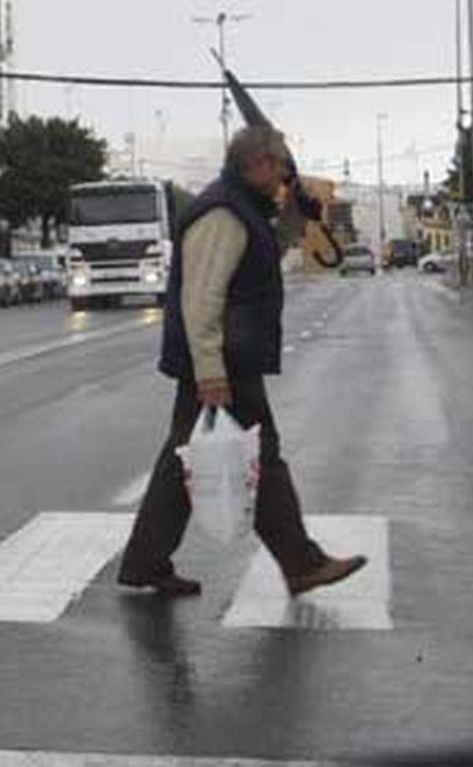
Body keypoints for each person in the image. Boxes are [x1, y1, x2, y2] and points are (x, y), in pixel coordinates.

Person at [117, 125, 367, 597]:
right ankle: (301, 562)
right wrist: (210, 369)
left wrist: (298, 213)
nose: (282, 176)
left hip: (230, 356)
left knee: (181, 460)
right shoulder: (222, 215)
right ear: (256, 164)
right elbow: (202, 298)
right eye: (279, 167)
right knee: (262, 457)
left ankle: (145, 561)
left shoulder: (244, 209)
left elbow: (269, 253)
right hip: (223, 361)